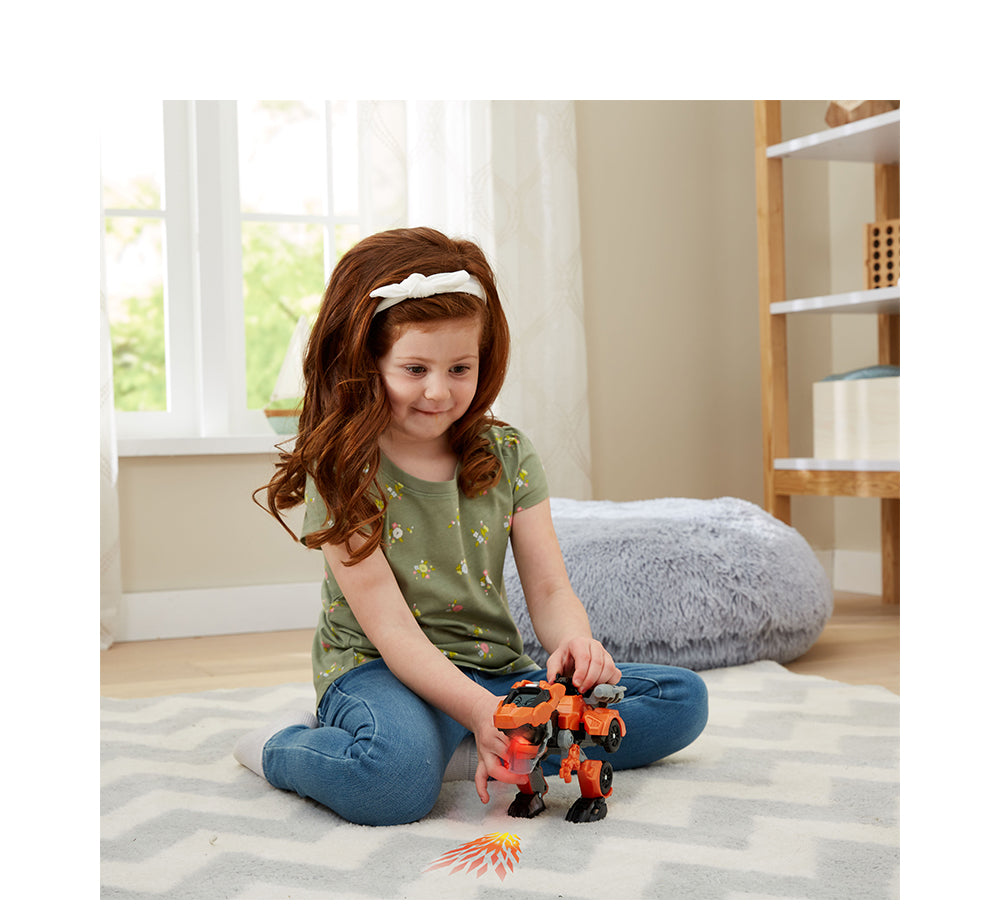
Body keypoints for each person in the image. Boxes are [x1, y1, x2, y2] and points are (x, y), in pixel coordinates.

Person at [236, 226, 708, 826]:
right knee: (392, 786)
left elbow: (549, 588)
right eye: (414, 368)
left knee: (681, 699)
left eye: (460, 368)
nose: (439, 391)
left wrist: (574, 643)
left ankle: (463, 747)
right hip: (381, 672)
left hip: (496, 671)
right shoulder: (344, 473)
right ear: (366, 364)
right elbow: (395, 635)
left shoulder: (508, 453)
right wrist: (484, 712)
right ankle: (283, 747)